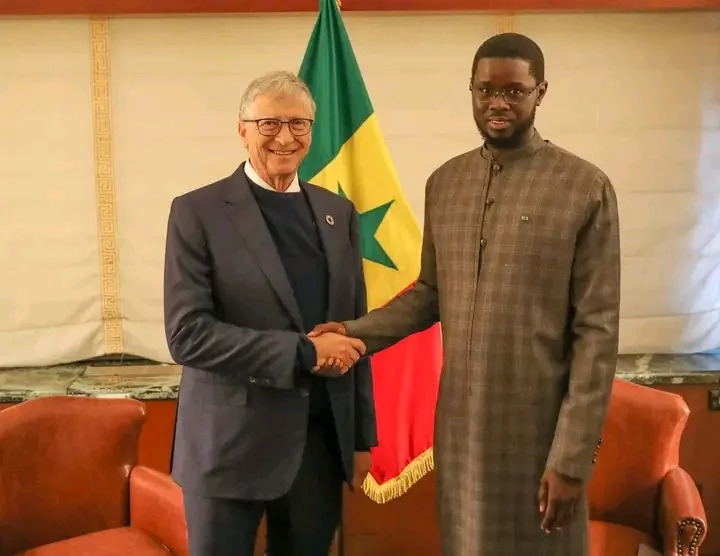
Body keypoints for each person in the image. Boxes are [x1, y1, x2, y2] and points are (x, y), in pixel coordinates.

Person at [309, 33, 621, 555]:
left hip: (538, 433)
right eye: (485, 90)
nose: (498, 102)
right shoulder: (445, 183)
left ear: (540, 92)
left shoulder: (584, 188)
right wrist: (353, 332)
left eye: (514, 91)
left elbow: (597, 333)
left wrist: (570, 460)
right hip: (459, 431)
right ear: (471, 91)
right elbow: (430, 293)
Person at [163, 70, 377, 556]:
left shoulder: (338, 213)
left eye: (299, 124)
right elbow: (187, 335)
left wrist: (362, 437)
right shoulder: (198, 212)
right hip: (228, 447)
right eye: (269, 123)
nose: (285, 137)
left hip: (319, 447)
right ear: (242, 130)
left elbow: (355, 329)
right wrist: (303, 352)